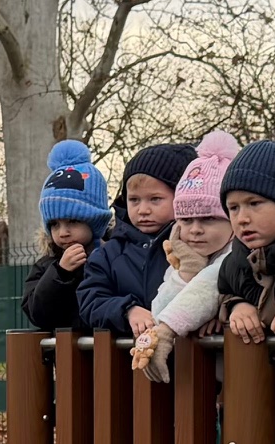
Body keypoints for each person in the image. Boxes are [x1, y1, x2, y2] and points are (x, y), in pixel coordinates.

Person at [130, 130, 244, 377]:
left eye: (209, 219)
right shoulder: (188, 255)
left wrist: (167, 330)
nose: (195, 230)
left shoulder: (237, 252)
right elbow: (158, 309)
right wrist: (187, 271)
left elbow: (211, 283)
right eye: (186, 219)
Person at [76, 139, 196, 336]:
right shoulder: (109, 254)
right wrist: (127, 309)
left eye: (155, 199)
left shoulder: (197, 243)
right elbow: (91, 300)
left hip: (193, 358)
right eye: (134, 200)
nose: (143, 210)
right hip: (129, 360)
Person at [23, 142, 111, 331]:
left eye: (72, 221)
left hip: (108, 354)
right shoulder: (46, 266)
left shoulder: (114, 257)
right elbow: (37, 313)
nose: (63, 232)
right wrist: (60, 274)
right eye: (54, 224)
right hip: (64, 356)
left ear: (94, 220)